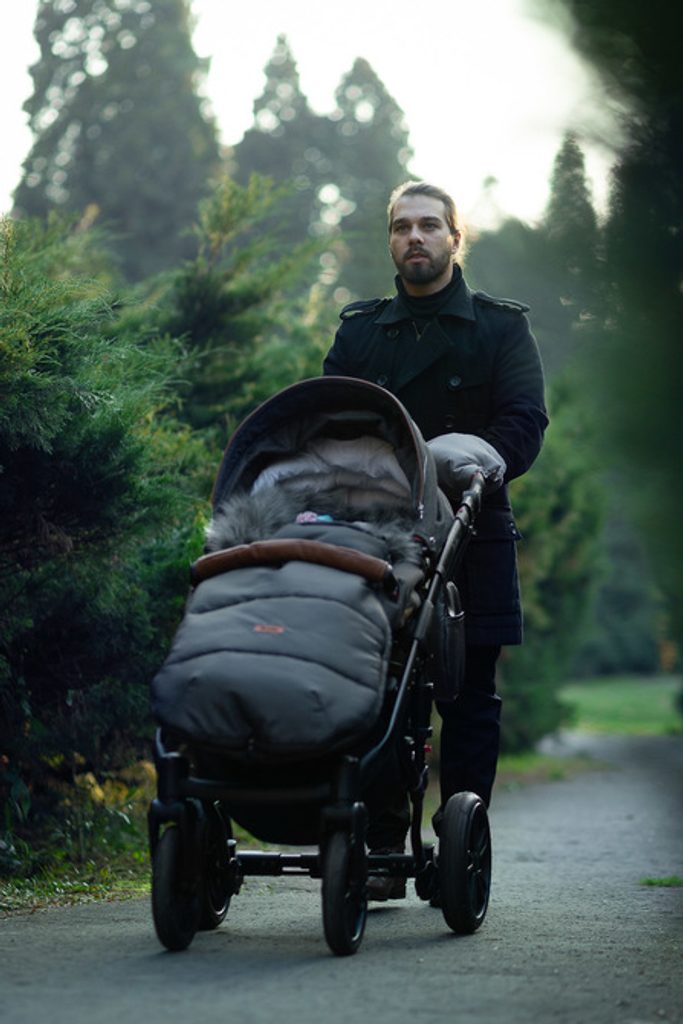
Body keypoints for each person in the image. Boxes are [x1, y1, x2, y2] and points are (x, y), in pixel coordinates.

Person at [322, 180, 548, 900]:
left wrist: (474, 463)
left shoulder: (498, 328)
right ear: (390, 241)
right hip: (381, 535)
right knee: (384, 688)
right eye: (401, 227)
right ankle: (385, 841)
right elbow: (330, 419)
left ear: (455, 237)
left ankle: (460, 838)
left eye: (427, 225)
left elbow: (524, 421)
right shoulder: (360, 331)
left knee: (470, 698)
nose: (413, 238)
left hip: (472, 536)